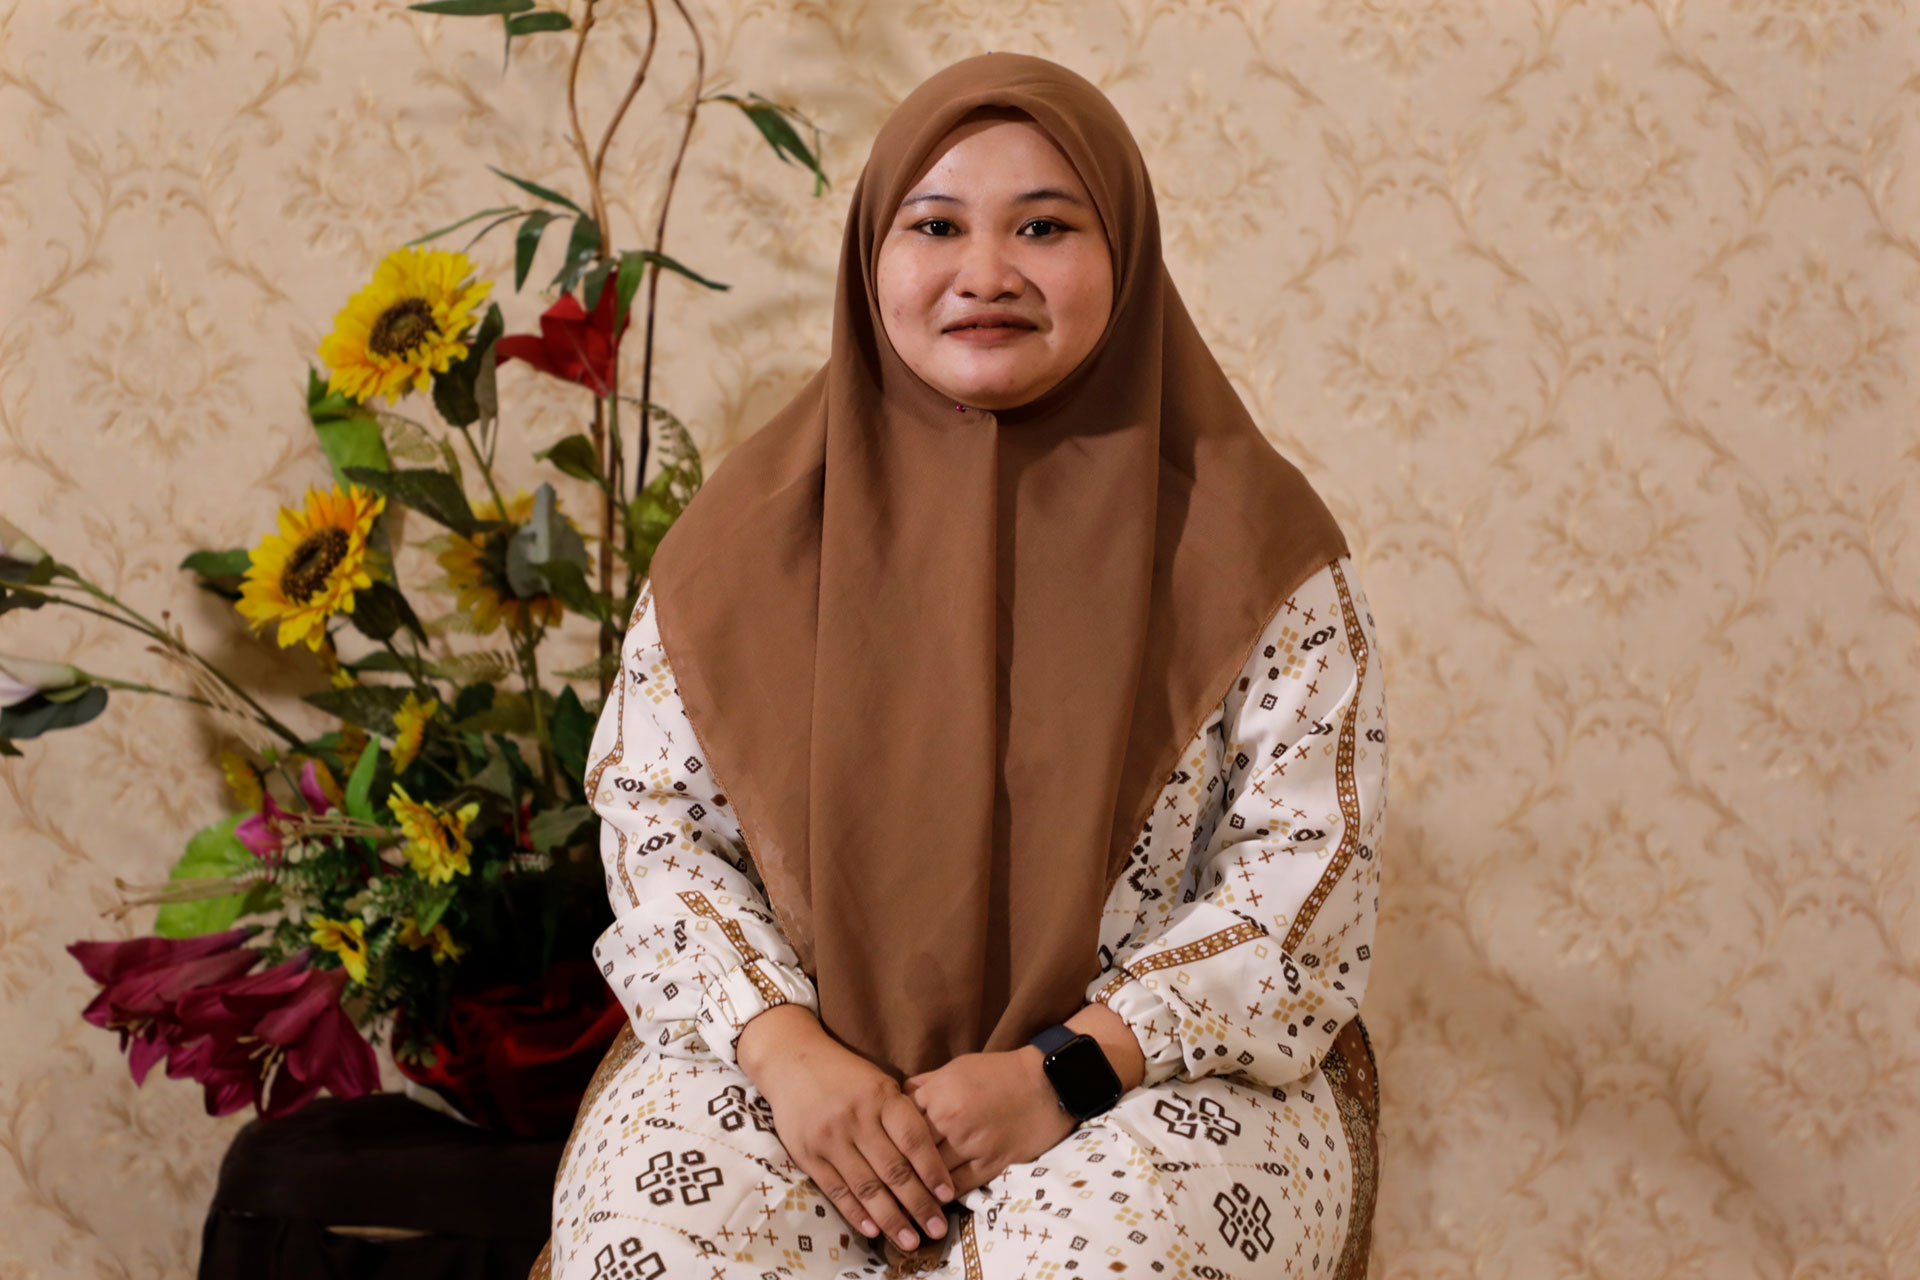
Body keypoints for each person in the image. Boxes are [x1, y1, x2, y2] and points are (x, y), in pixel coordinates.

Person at [539, 51, 1386, 1280]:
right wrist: (786, 1047)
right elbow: (656, 826)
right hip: (792, 1061)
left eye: (1045, 225)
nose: (986, 273)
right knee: (653, 1248)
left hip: (1158, 1074)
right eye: (935, 225)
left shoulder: (1260, 548)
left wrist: (1071, 1066)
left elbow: (1303, 880)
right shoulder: (743, 540)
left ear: (1129, 254)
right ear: (871, 260)